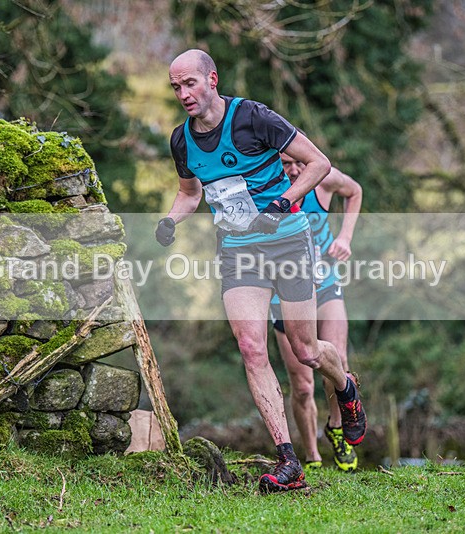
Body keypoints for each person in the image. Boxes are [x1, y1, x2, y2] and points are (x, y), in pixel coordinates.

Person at [155, 49, 366, 493]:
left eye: (190, 83)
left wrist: (282, 202)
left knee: (306, 351)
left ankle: (346, 388)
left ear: (212, 79)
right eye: (176, 87)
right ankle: (288, 461)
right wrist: (171, 220)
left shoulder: (252, 117)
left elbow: (319, 164)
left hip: (287, 239)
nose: (183, 93)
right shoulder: (182, 141)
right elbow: (190, 194)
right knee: (252, 347)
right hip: (237, 249)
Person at [270, 151, 363, 472]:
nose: (295, 170)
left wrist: (345, 237)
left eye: (300, 162)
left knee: (338, 359)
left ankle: (337, 429)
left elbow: (354, 191)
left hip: (325, 284)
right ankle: (311, 456)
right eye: (286, 163)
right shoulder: (265, 186)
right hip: (283, 294)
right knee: (302, 385)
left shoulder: (323, 180)